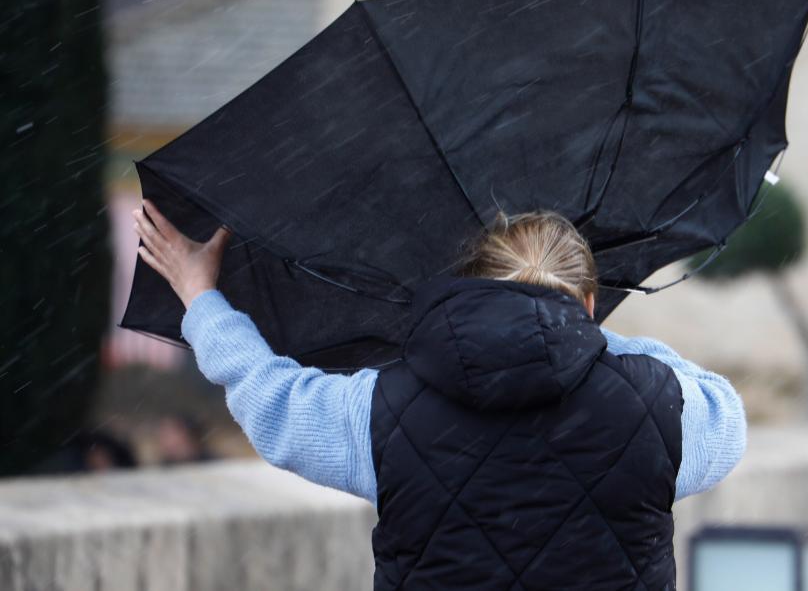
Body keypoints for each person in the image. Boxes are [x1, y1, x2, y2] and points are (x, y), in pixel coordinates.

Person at [132, 199, 747, 590]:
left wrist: (200, 296)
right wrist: (597, 344)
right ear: (586, 303)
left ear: (469, 291)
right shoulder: (659, 405)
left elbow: (273, 402)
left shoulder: (381, 407)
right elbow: (728, 417)